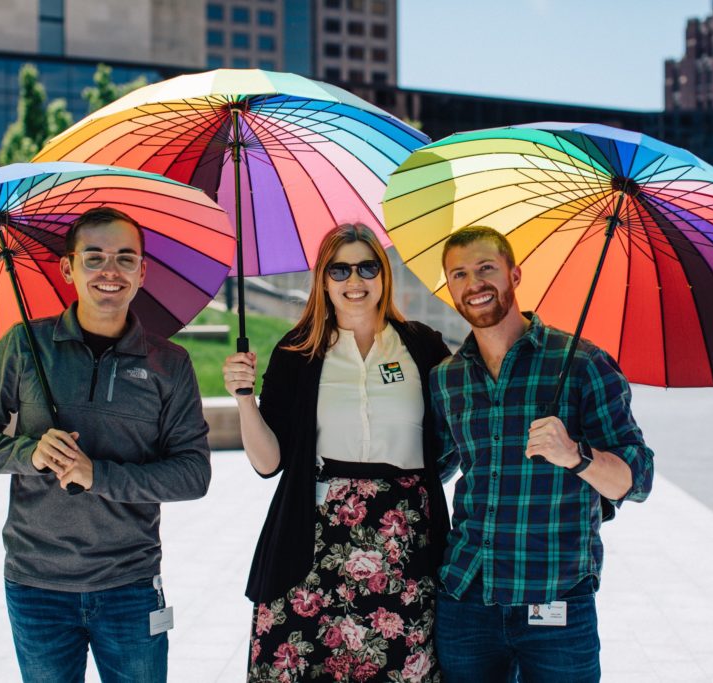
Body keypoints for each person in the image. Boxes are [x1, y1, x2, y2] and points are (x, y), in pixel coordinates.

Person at [0, 206, 211, 682]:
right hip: (35, 585)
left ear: (142, 272)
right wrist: (28, 453)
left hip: (130, 585)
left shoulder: (170, 365)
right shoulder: (25, 346)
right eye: (94, 258)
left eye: (125, 259)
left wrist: (100, 476)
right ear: (68, 268)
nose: (110, 271)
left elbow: (193, 475)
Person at [223, 223, 452, 682]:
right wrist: (244, 399)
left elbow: (450, 437)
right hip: (313, 541)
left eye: (368, 267)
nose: (355, 281)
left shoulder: (422, 346)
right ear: (323, 281)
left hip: (404, 542)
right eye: (339, 269)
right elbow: (269, 464)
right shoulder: (297, 352)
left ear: (384, 276)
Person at [429, 226, 655, 683]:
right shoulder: (446, 378)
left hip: (555, 601)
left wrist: (576, 455)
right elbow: (433, 467)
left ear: (514, 274)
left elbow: (638, 479)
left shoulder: (582, 364)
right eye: (459, 274)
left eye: (486, 268)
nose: (474, 283)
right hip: (467, 599)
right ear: (449, 287)